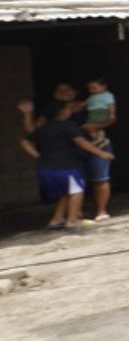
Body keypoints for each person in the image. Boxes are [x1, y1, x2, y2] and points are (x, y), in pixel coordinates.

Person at [18, 96, 113, 230]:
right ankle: (72, 220)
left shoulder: (43, 129)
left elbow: (24, 141)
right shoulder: (68, 126)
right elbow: (81, 142)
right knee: (77, 190)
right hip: (65, 166)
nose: (70, 110)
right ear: (62, 112)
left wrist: (37, 155)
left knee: (66, 192)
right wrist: (100, 153)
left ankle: (56, 219)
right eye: (68, 108)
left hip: (45, 168)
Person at [82, 76, 118, 221]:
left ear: (103, 87)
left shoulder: (107, 96)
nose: (92, 91)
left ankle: (101, 210)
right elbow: (85, 105)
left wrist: (111, 115)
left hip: (100, 116)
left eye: (95, 88)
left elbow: (111, 112)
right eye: (90, 88)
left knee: (100, 178)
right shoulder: (91, 98)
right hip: (92, 117)